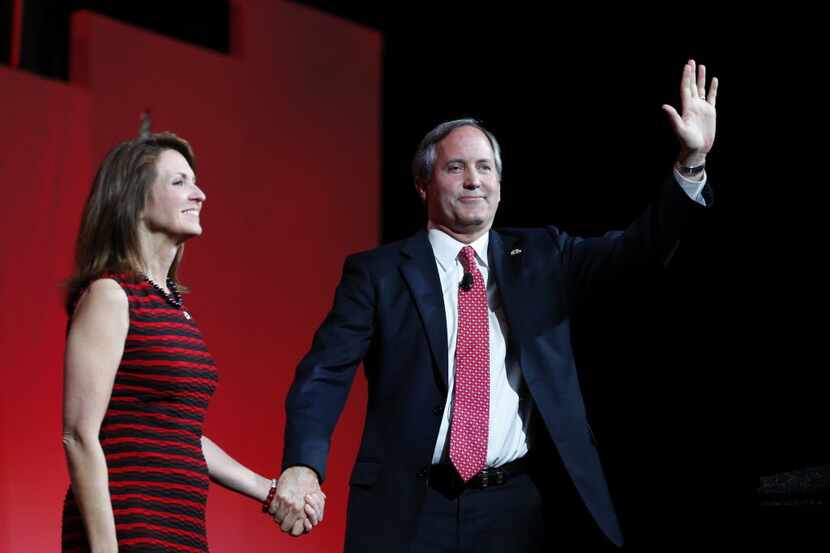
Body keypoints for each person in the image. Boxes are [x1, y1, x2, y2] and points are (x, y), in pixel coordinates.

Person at [269, 60, 717, 551]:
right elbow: (325, 371)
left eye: (485, 168)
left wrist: (690, 163)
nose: (473, 181)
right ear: (423, 185)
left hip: (516, 505)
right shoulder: (376, 273)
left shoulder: (544, 254)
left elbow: (640, 249)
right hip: (409, 505)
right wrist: (303, 464)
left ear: (500, 186)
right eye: (455, 167)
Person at [60, 132, 324, 552]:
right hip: (128, 529)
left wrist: (269, 491)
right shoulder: (111, 295)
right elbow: (78, 433)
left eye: (195, 182)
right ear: (134, 199)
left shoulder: (172, 309)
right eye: (179, 182)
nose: (199, 194)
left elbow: (181, 432)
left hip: (179, 530)